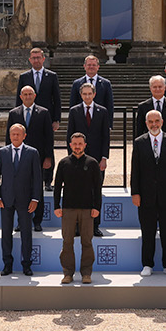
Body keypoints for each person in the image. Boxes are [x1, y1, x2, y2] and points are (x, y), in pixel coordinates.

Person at [130, 109, 166, 276]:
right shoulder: (139, 142)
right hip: (145, 196)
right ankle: (147, 264)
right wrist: (135, 193)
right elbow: (135, 170)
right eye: (150, 122)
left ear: (162, 122)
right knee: (147, 231)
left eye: (156, 121)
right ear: (146, 124)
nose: (154, 124)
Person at [0, 123, 44, 277]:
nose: (15, 137)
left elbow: (37, 178)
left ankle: (27, 264)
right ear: (9, 136)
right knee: (6, 232)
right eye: (13, 134)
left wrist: (35, 199)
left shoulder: (32, 153)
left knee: (26, 234)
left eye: (18, 134)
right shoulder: (2, 152)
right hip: (6, 199)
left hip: (25, 200)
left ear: (24, 136)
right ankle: (7, 264)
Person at [54, 132, 101, 284]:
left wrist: (96, 207)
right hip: (68, 209)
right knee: (67, 241)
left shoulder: (93, 163)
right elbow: (57, 187)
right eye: (75, 143)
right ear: (70, 145)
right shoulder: (63, 163)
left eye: (80, 143)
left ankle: (86, 273)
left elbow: (97, 188)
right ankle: (68, 273)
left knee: (86, 241)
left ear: (85, 145)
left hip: (87, 209)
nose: (77, 146)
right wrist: (56, 206)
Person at [8, 84, 55, 232]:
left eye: (30, 94)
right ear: (21, 97)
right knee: (20, 190)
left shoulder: (44, 112)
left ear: (34, 96)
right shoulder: (14, 113)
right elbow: (8, 138)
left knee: (37, 190)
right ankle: (22, 221)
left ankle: (37, 221)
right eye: (25, 94)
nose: (28, 97)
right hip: (18, 157)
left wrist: (48, 157)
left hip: (38, 157)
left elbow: (49, 137)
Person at [68, 82, 111, 237]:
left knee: (95, 193)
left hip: (97, 159)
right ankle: (79, 226)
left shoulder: (103, 111)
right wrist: (71, 158)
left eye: (89, 93)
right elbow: (69, 136)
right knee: (78, 193)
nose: (87, 96)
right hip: (78, 158)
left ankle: (95, 225)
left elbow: (106, 137)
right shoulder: (74, 111)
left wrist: (104, 158)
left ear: (94, 94)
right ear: (81, 95)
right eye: (84, 94)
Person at [134, 75, 166, 145]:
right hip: (149, 146)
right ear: (150, 88)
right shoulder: (143, 106)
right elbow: (139, 130)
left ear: (165, 87)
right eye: (154, 87)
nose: (157, 89)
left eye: (160, 87)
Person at [18, 47, 62, 129]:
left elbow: (57, 99)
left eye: (38, 58)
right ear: (30, 60)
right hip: (28, 116)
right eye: (34, 58)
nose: (36, 60)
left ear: (43, 59)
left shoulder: (52, 76)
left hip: (48, 116)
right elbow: (19, 98)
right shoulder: (24, 77)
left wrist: (56, 120)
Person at [71, 54, 114, 119]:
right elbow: (73, 105)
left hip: (100, 120)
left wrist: (109, 125)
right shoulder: (77, 84)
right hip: (81, 120)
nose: (91, 67)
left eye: (94, 65)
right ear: (84, 66)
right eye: (89, 65)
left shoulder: (106, 84)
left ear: (98, 67)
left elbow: (109, 105)